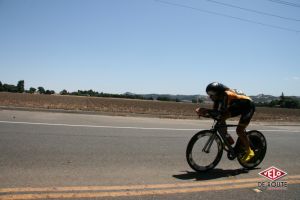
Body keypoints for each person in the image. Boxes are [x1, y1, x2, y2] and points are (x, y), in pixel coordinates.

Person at [196, 82, 255, 163]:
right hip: (237, 106)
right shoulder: (218, 98)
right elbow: (216, 113)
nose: (210, 97)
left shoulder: (226, 95)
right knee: (221, 118)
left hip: (248, 106)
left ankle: (249, 151)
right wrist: (204, 113)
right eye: (209, 94)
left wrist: (206, 111)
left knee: (239, 130)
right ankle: (228, 138)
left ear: (219, 92)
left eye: (212, 94)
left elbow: (218, 113)